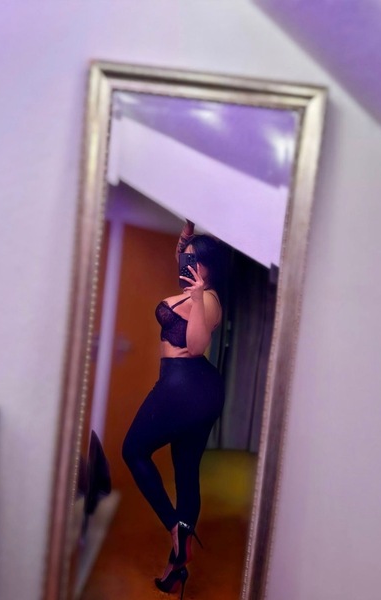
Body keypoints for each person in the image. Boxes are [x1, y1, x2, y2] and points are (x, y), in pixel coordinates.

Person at [122, 219, 226, 598]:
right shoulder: (193, 287)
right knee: (186, 473)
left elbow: (196, 346)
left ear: (209, 268)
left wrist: (197, 299)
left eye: (194, 258)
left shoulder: (208, 300)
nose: (186, 262)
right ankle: (175, 571)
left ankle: (175, 529)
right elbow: (183, 259)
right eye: (186, 257)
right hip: (197, 389)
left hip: (185, 384)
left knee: (133, 451)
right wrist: (185, 237)